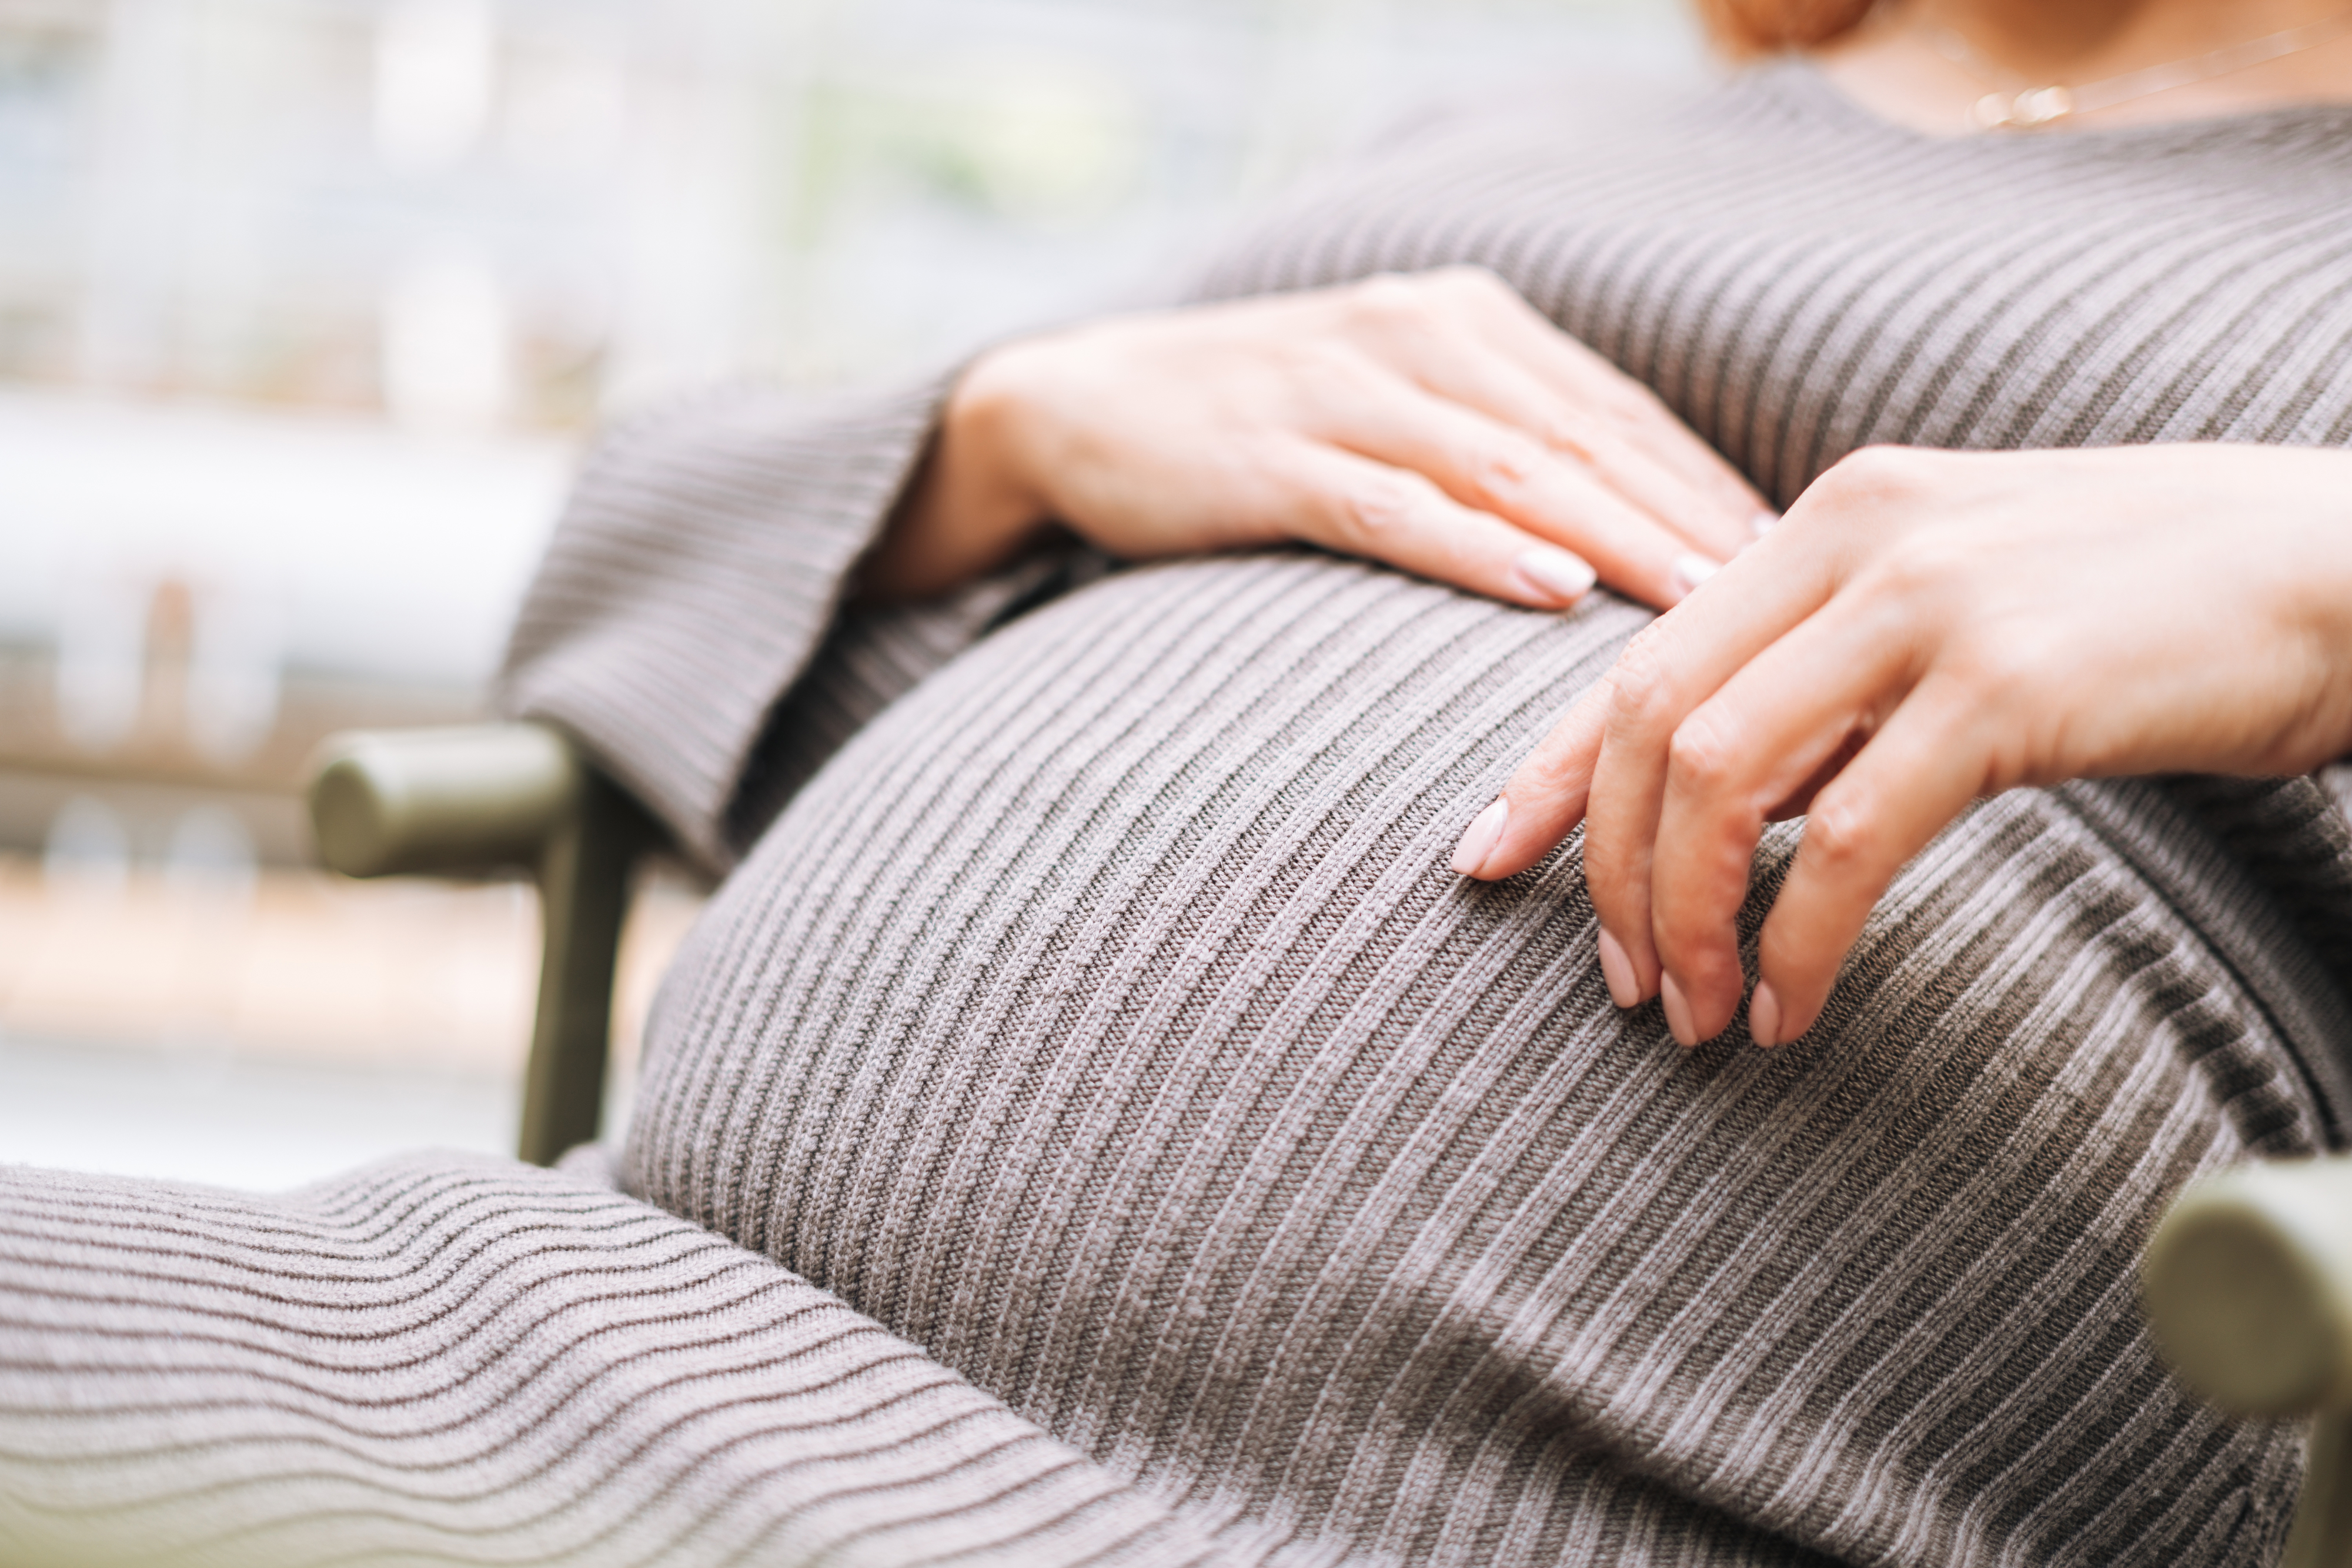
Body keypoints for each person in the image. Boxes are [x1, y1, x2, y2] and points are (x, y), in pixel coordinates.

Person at [6, 1, 2352, 1563]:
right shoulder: (1520, 134)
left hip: (1419, 1507)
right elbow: (618, 589)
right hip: (537, 1308)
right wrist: (1012, 431)